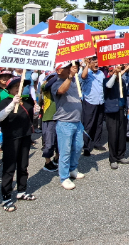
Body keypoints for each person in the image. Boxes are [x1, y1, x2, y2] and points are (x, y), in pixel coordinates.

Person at [0, 77, 37, 211]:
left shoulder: (27, 100)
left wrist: (37, 111)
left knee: (23, 165)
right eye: (16, 86)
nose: (19, 88)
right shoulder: (5, 101)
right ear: (10, 89)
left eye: (21, 85)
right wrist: (12, 104)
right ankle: (6, 197)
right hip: (11, 138)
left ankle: (21, 190)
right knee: (9, 167)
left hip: (25, 135)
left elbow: (31, 116)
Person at [51, 61, 86, 190]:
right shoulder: (56, 83)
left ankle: (72, 169)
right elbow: (61, 90)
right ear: (59, 71)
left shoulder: (74, 81)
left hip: (77, 121)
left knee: (78, 147)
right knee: (65, 151)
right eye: (67, 68)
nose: (70, 68)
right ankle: (64, 177)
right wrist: (70, 76)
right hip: (64, 123)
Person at [104, 65, 129, 169]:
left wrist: (127, 108)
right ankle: (113, 158)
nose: (114, 72)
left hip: (121, 110)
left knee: (121, 133)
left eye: (115, 71)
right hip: (111, 111)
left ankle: (121, 155)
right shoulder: (106, 81)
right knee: (113, 134)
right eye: (112, 71)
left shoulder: (122, 82)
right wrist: (115, 74)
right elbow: (108, 86)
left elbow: (124, 96)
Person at [81, 56, 106, 156]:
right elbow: (83, 76)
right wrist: (86, 65)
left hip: (100, 101)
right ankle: (85, 146)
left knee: (99, 123)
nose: (96, 64)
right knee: (88, 124)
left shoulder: (101, 73)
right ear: (90, 63)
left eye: (98, 62)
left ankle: (97, 142)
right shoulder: (86, 72)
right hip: (90, 101)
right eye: (94, 62)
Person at [39, 72, 59, 172]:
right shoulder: (44, 86)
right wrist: (57, 75)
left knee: (59, 141)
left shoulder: (59, 86)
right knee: (49, 142)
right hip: (49, 117)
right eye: (51, 77)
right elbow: (48, 84)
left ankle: (56, 158)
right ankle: (47, 162)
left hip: (59, 116)